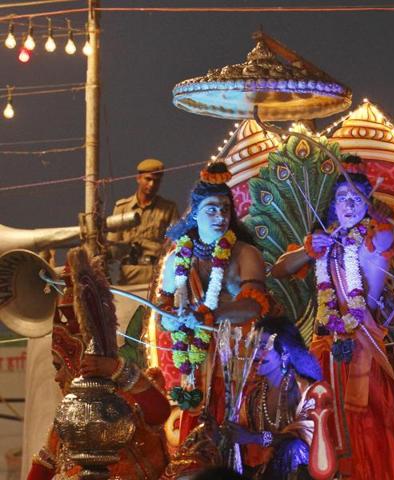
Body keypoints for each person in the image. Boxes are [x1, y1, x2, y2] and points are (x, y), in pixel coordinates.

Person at [271, 156, 394, 479]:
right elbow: (279, 269)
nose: (349, 205)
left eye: (357, 199)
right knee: (320, 422)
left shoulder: (373, 240)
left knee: (369, 427)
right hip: (322, 346)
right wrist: (308, 249)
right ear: (332, 206)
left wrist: (378, 218)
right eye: (342, 198)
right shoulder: (324, 243)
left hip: (362, 345)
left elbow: (387, 241)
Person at [157, 162, 270, 476]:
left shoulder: (245, 254)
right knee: (195, 450)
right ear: (194, 214)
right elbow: (163, 317)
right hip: (196, 369)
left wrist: (211, 314)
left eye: (225, 208)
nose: (221, 216)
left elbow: (254, 306)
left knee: (245, 445)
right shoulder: (176, 259)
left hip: (241, 363)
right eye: (211, 209)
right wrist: (176, 318)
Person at [26, 255, 171, 480]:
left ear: (79, 361)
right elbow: (44, 467)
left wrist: (114, 368)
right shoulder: (67, 421)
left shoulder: (122, 406)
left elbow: (159, 411)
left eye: (60, 366)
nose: (58, 377)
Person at [224, 316, 325, 480]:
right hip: (265, 472)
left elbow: (308, 437)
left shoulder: (306, 388)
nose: (255, 353)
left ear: (284, 351)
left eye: (264, 346)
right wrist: (222, 433)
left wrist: (255, 438)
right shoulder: (254, 396)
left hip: (304, 472)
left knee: (293, 448)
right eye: (254, 345)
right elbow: (239, 431)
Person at [107, 158, 180, 285]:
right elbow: (112, 245)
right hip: (128, 274)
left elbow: (177, 244)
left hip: (156, 273)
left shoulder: (168, 209)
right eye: (148, 179)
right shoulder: (122, 208)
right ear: (138, 178)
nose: (151, 184)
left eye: (156, 181)